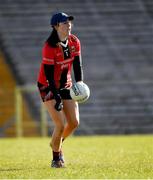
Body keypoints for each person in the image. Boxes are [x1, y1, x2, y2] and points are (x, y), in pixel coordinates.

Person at [37, 12, 83, 168]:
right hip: (48, 86)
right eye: (64, 23)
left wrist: (80, 84)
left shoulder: (74, 41)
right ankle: (56, 159)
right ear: (56, 26)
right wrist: (56, 96)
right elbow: (49, 74)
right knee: (60, 125)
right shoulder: (49, 46)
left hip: (66, 84)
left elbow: (77, 64)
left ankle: (57, 143)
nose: (68, 24)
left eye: (69, 21)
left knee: (74, 122)